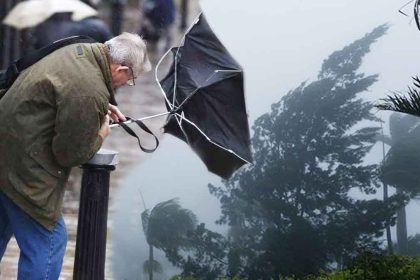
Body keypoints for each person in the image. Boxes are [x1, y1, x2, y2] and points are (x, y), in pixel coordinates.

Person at [0, 32, 151, 279]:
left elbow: (65, 91)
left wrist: (97, 105)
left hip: (6, 150)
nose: (127, 83)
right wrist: (100, 133)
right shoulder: (88, 90)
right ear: (121, 68)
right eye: (130, 78)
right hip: (24, 168)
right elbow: (71, 154)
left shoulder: (81, 50)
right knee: (49, 240)